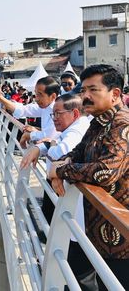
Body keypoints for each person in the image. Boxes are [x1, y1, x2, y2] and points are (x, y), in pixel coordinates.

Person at [48, 64, 129, 290]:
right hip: (102, 237)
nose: (85, 96)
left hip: (122, 242)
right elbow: (78, 152)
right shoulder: (99, 121)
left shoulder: (122, 124)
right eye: (83, 91)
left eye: (93, 90)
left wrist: (60, 171)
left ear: (115, 94)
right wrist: (59, 164)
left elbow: (106, 172)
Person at [20, 94, 93, 287]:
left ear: (75, 113)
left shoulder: (77, 131)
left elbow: (59, 152)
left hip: (85, 218)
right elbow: (54, 143)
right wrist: (45, 145)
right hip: (79, 217)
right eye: (52, 115)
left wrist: (52, 158)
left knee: (80, 272)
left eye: (58, 114)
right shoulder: (77, 127)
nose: (54, 119)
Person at [0, 76, 60, 148]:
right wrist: (0, 97)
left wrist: (30, 135)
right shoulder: (46, 106)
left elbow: (50, 137)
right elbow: (23, 109)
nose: (36, 99)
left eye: (40, 95)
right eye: (36, 94)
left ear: (53, 96)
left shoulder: (59, 111)